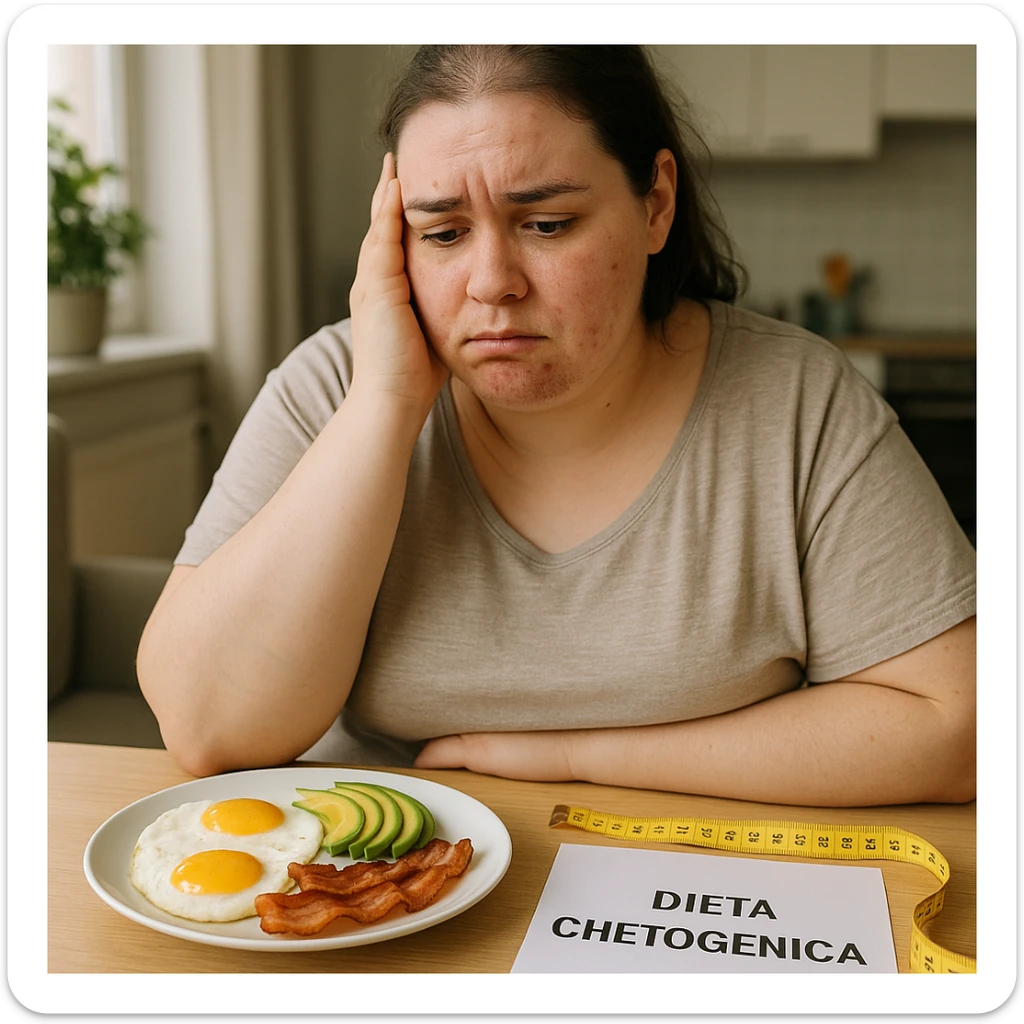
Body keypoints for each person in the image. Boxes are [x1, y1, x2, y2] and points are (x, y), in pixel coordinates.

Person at [137, 45, 976, 807]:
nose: (491, 282)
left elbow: (961, 728)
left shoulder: (797, 403)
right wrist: (385, 405)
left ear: (656, 204)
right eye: (442, 233)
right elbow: (208, 728)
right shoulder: (334, 386)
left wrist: (572, 755)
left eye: (546, 224)